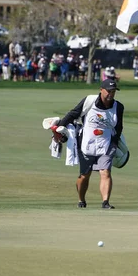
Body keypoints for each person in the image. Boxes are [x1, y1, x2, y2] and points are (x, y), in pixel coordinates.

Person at [55, 79, 124, 209]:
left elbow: (119, 127)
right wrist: (58, 128)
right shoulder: (89, 101)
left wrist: (115, 143)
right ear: (101, 90)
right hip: (86, 144)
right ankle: (81, 200)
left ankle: (105, 202)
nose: (111, 94)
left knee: (105, 172)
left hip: (106, 144)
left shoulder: (118, 107)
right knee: (85, 175)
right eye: (109, 91)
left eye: (113, 91)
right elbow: (73, 114)